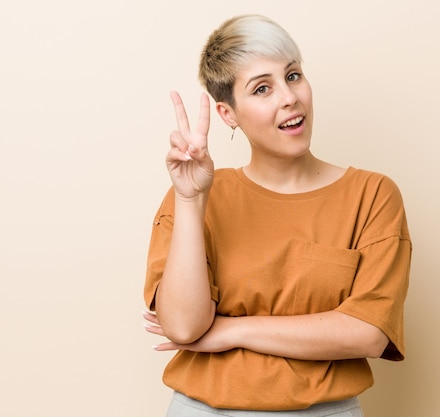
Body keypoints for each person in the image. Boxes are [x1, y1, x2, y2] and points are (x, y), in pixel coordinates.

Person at [143, 14, 412, 416]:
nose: (289, 97)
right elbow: (183, 328)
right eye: (262, 88)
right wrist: (188, 199)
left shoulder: (371, 195)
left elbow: (369, 333)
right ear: (228, 114)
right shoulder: (196, 196)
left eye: (293, 75)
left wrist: (230, 330)